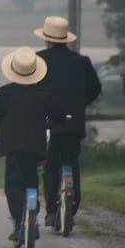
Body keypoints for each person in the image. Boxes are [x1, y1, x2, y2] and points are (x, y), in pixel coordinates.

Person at [0, 46, 67, 241]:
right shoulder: (44, 95)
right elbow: (59, 115)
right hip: (35, 148)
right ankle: (33, 215)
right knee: (31, 180)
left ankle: (19, 223)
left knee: (13, 186)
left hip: (13, 148)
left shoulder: (6, 94)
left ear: (13, 70)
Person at [33, 16, 102, 228]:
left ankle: (52, 211)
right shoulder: (82, 62)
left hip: (50, 123)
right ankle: (72, 207)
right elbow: (95, 89)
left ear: (47, 39)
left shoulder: (39, 59)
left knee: (52, 163)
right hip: (75, 122)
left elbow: (32, 88)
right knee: (72, 161)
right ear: (66, 40)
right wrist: (81, 103)